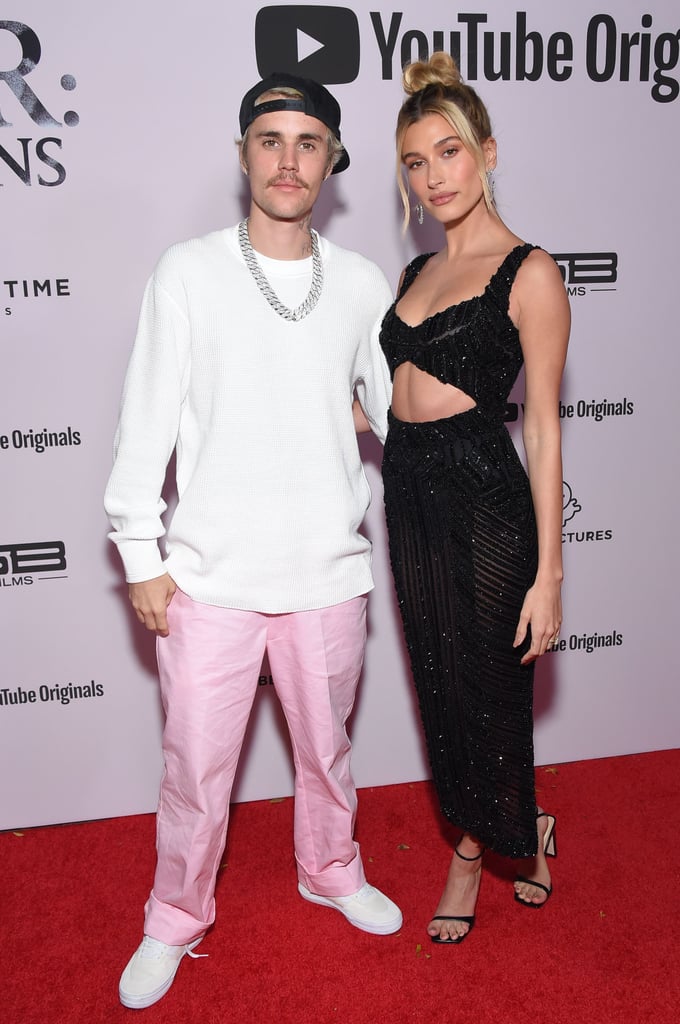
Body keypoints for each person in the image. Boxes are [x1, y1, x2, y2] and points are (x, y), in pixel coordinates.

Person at [104, 72, 401, 1010]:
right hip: (210, 580)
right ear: (243, 154)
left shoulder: (361, 283)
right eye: (270, 139)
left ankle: (331, 866)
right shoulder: (187, 271)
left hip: (327, 572)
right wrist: (139, 553)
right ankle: (174, 916)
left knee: (329, 754)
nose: (288, 159)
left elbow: (399, 419)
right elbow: (144, 421)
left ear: (331, 161)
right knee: (196, 771)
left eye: (308, 141)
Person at [378, 52, 570, 944]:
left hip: (486, 505)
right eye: (416, 162)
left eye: (448, 153)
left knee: (489, 690)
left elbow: (540, 430)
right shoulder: (414, 273)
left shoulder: (530, 272)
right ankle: (516, 826)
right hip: (409, 499)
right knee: (437, 689)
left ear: (487, 153)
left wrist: (552, 574)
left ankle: (472, 852)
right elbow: (381, 403)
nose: (432, 176)